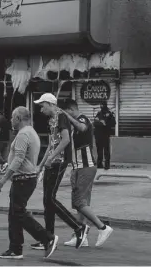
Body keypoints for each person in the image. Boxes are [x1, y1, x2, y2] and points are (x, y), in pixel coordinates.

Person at [0, 106, 58, 260]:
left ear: (18, 118)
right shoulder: (31, 132)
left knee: (18, 213)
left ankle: (46, 238)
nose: (10, 120)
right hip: (24, 178)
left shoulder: (24, 134)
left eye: (12, 117)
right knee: (14, 215)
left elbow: (19, 158)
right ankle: (15, 249)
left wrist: (4, 178)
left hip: (23, 180)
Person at [31, 93, 89, 251]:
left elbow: (65, 140)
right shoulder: (51, 120)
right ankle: (48, 238)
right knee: (46, 200)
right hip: (52, 162)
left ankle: (78, 227)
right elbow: (51, 145)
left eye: (42, 106)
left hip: (60, 161)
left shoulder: (61, 117)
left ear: (50, 104)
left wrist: (52, 158)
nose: (41, 109)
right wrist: (41, 165)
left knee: (50, 199)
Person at [62, 99, 114, 247]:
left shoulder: (82, 119)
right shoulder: (74, 125)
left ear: (71, 109)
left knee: (79, 202)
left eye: (67, 113)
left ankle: (102, 227)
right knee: (80, 203)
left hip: (86, 165)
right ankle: (80, 236)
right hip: (79, 166)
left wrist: (66, 115)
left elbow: (83, 127)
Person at [93, 102, 115, 170]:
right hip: (98, 135)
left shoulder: (110, 114)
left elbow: (113, 123)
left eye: (102, 105)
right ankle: (99, 164)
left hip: (105, 134)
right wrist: (102, 123)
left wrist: (105, 123)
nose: (101, 106)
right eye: (100, 105)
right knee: (99, 150)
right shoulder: (99, 113)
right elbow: (95, 122)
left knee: (106, 151)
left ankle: (107, 165)